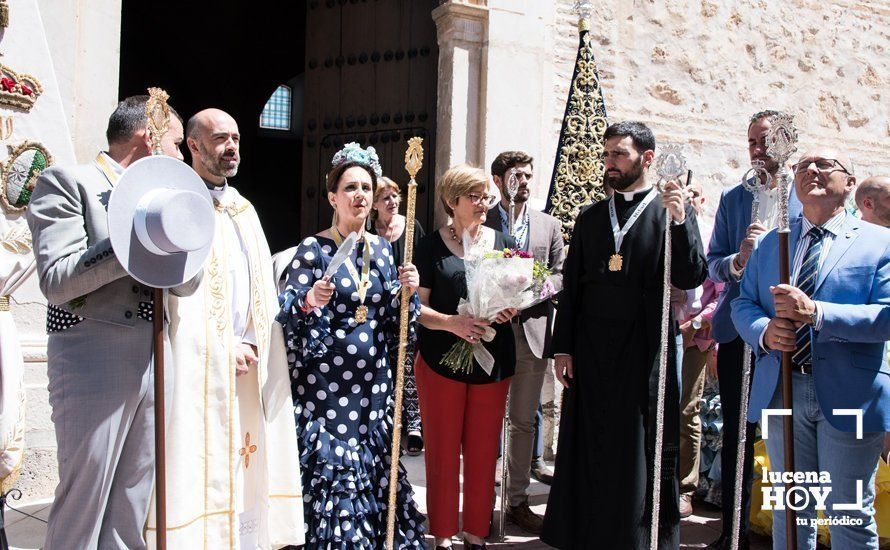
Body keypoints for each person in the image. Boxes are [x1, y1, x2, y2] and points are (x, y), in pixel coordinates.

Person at [25, 96, 200, 549]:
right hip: (93, 352)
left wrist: (181, 233)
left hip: (156, 352)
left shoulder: (166, 195)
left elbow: (185, 284)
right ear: (148, 137)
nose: (181, 156)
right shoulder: (67, 181)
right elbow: (57, 279)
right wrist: (133, 237)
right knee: (85, 496)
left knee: (132, 501)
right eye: (177, 144)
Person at [541, 121, 708, 549]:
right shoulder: (592, 216)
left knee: (636, 444)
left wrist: (681, 220)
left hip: (644, 349)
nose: (609, 162)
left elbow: (692, 273)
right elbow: (573, 285)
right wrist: (564, 348)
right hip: (592, 349)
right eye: (607, 154)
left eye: (620, 154)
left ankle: (633, 535)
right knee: (590, 438)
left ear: (646, 159)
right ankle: (587, 530)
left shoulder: (667, 212)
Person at [144, 109, 304, 548]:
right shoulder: (176, 204)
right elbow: (182, 298)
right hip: (202, 363)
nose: (232, 147)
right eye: (220, 139)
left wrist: (252, 338)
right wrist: (221, 346)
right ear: (193, 146)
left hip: (248, 363)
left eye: (235, 138)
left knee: (246, 461)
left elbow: (259, 288)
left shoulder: (243, 209)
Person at [732, 147, 890, 549]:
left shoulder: (879, 243)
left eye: (825, 165)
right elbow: (743, 302)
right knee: (791, 512)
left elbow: (886, 317)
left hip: (851, 396)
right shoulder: (773, 243)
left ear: (850, 183)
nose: (812, 170)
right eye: (803, 165)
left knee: (848, 511)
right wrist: (764, 332)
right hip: (784, 388)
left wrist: (817, 312)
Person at [277, 142, 426, 548]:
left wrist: (405, 294)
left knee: (373, 472)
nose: (359, 195)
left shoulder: (382, 248)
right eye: (350, 188)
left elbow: (393, 322)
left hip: (372, 389)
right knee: (335, 476)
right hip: (327, 389)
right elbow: (287, 309)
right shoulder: (314, 248)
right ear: (332, 197)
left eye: (366, 188)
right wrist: (311, 301)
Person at [705, 110, 803, 550]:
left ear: (788, 143)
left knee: (789, 435)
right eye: (752, 143)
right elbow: (715, 263)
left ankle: (794, 531)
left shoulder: (808, 194)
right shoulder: (733, 197)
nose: (758, 150)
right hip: (737, 331)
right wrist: (740, 260)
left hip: (792, 336)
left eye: (765, 141)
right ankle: (733, 530)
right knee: (736, 434)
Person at [414, 164, 518, 549]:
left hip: (493, 362)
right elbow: (416, 308)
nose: (483, 203)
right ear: (451, 201)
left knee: (482, 452)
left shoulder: (503, 242)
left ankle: (475, 532)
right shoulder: (430, 246)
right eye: (473, 196)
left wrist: (510, 308)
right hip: (441, 362)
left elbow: (515, 295)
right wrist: (452, 323)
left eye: (485, 196)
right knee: (442, 451)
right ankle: (442, 534)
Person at [483, 150, 564, 534]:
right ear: (498, 180)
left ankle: (516, 500)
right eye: (517, 175)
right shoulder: (482, 220)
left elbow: (563, 272)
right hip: (488, 334)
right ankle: (484, 501)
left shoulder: (548, 225)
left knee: (521, 422)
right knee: (485, 420)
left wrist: (534, 291)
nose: (525, 182)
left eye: (529, 175)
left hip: (531, 333)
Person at [676, 180, 723, 518]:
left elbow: (721, 295)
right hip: (657, 333)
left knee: (687, 410)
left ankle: (684, 487)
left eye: (690, 195)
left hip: (693, 338)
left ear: (701, 198)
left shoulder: (710, 236)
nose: (685, 201)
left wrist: (695, 325)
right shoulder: (664, 230)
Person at [369, 176, 425, 454]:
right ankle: (391, 427)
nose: (392, 202)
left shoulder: (410, 224)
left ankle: (414, 425)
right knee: (386, 367)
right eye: (385, 198)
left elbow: (423, 264)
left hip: (406, 304)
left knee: (406, 363)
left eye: (394, 196)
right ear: (374, 205)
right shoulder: (369, 230)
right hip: (380, 309)